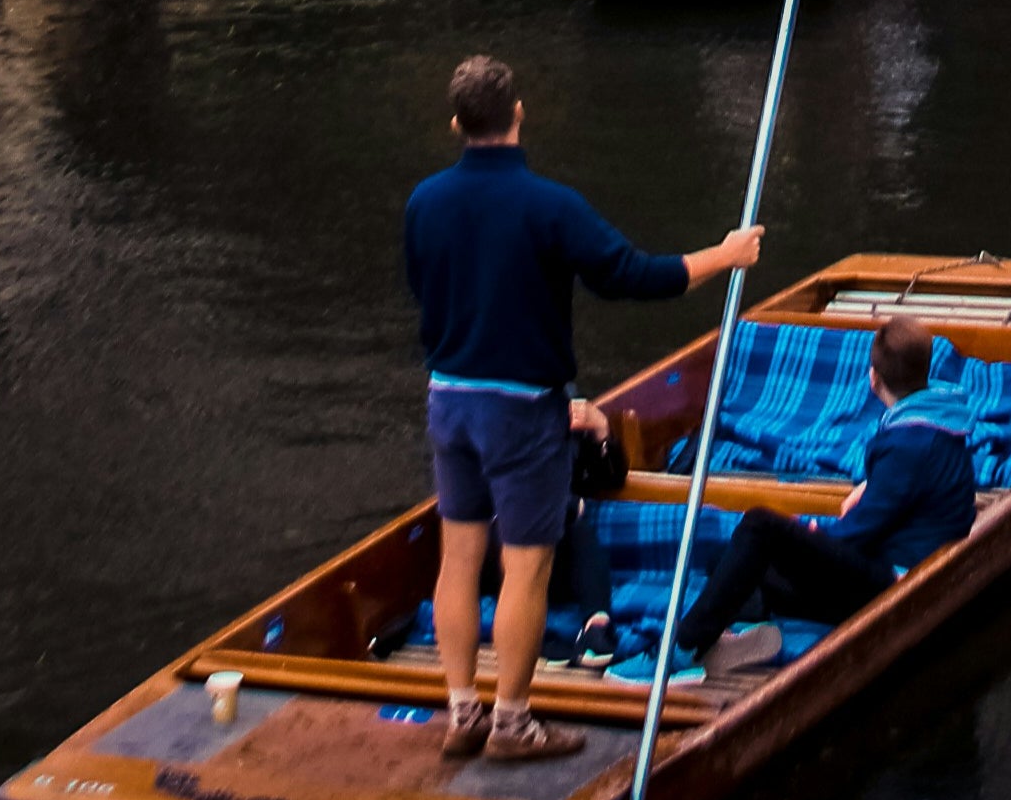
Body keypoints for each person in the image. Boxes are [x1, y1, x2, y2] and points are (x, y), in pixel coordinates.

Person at [404, 55, 763, 763]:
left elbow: (423, 289)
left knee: (458, 558)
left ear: (455, 124)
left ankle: (460, 712)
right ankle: (510, 722)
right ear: (518, 114)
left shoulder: (423, 202)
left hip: (448, 400)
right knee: (527, 566)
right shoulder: (549, 205)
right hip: (522, 412)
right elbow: (633, 276)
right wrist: (725, 256)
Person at [665, 317, 975, 679]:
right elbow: (905, 487)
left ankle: (681, 650)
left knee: (761, 527)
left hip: (895, 585)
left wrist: (811, 537)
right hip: (898, 557)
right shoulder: (941, 417)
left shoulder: (910, 444)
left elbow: (856, 532)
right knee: (728, 559)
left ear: (873, 378)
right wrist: (866, 489)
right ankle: (740, 636)